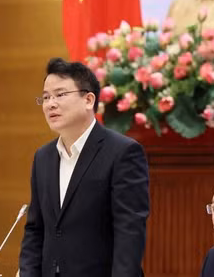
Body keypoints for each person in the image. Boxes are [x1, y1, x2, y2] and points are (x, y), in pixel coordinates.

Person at [19, 58, 150, 277]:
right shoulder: (43, 157)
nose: (50, 104)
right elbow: (35, 230)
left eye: (60, 94)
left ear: (88, 100)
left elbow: (129, 232)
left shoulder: (123, 152)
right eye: (46, 97)